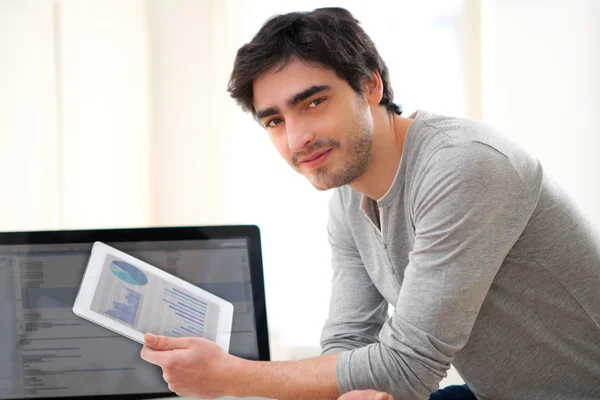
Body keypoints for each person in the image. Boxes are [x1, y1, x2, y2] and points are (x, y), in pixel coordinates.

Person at [140, 7, 600, 400]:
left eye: (314, 102)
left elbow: (408, 366)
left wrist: (230, 376)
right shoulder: (347, 190)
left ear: (370, 87)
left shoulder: (463, 166)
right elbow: (349, 338)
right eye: (275, 121)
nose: (297, 138)